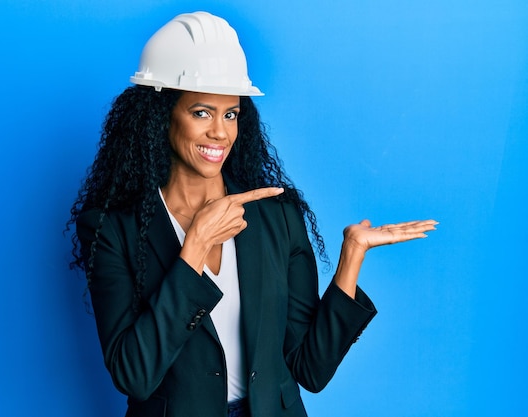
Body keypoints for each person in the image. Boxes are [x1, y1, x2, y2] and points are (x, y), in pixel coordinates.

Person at [67, 11, 437, 417]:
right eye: (201, 112)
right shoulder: (112, 228)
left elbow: (309, 369)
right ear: (160, 115)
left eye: (231, 114)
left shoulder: (276, 217)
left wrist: (351, 257)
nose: (220, 133)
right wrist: (194, 251)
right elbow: (133, 374)